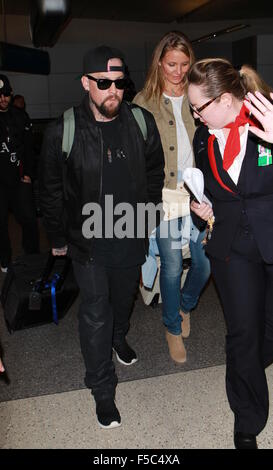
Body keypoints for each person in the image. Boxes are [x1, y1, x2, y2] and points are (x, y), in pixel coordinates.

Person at [39, 45, 165, 429]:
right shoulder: (64, 129)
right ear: (85, 83)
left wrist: (149, 217)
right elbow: (50, 191)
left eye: (120, 82)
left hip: (131, 233)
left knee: (122, 301)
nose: (114, 90)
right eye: (104, 83)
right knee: (96, 313)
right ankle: (102, 390)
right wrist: (59, 238)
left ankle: (120, 337)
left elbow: (154, 173)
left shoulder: (140, 121)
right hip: (88, 240)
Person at [187, 58, 273, 449]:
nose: (194, 116)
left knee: (264, 329)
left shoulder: (267, 120)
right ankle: (247, 419)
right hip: (231, 248)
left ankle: (256, 358)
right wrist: (202, 208)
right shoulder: (204, 136)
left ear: (224, 99)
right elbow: (212, 189)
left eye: (198, 108)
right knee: (242, 333)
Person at [133, 31, 211, 363]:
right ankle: (172, 327)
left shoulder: (200, 96)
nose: (178, 72)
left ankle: (184, 305)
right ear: (159, 64)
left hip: (197, 194)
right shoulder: (143, 101)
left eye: (184, 64)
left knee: (205, 264)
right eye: (171, 65)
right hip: (164, 197)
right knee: (172, 264)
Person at [0, 74, 39, 272]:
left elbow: (30, 148)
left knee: (30, 221)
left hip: (19, 179)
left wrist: (30, 174)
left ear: (11, 93)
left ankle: (32, 257)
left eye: (6, 94)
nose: (2, 98)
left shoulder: (20, 116)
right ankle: (5, 260)